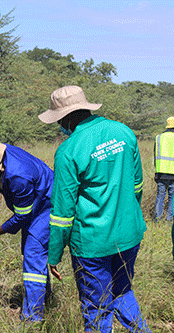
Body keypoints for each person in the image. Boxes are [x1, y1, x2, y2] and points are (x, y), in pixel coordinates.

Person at [39, 85, 150, 333]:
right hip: (129, 236)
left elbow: (62, 214)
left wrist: (54, 254)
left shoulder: (68, 151)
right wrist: (125, 218)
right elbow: (137, 186)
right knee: (123, 291)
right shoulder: (124, 132)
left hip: (92, 245)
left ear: (66, 117)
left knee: (97, 308)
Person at [0, 140, 54, 322]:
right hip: (34, 204)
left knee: (33, 255)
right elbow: (1, 178)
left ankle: (32, 319)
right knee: (30, 253)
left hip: (46, 206)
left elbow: (21, 217)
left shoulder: (18, 177)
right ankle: (44, 297)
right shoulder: (0, 155)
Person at [154, 117, 174, 222]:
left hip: (161, 173)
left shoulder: (159, 137)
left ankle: (157, 218)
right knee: (172, 197)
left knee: (160, 196)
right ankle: (169, 219)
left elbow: (155, 155)